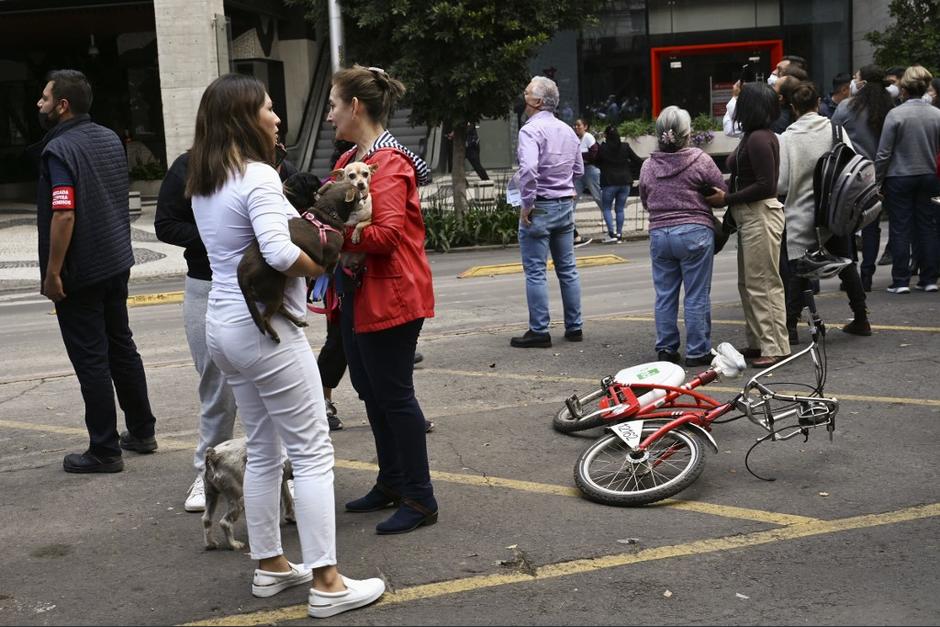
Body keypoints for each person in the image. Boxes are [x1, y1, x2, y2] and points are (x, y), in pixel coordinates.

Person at [188, 73, 385, 616]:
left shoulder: (206, 178)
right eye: (269, 108)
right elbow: (277, 252)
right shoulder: (256, 175)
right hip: (264, 329)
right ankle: (328, 584)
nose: (277, 118)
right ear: (244, 117)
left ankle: (271, 566)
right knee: (313, 452)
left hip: (224, 325)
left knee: (264, 448)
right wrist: (321, 265)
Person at [28, 69, 157, 474]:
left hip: (80, 271)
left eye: (44, 98)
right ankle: (142, 431)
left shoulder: (59, 150)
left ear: (62, 106)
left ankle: (104, 449)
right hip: (115, 261)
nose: (39, 104)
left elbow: (63, 213)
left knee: (91, 360)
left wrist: (53, 273)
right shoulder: (108, 138)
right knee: (121, 346)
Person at [327, 65, 438, 535]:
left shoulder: (388, 163)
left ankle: (420, 497)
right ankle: (392, 481)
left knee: (394, 395)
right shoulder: (350, 158)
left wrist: (334, 234)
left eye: (334, 105)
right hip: (358, 291)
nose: (329, 115)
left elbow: (387, 234)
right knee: (370, 391)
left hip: (391, 292)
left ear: (355, 107)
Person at [155, 151, 237, 508]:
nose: (277, 124)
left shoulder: (266, 161)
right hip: (206, 282)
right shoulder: (190, 165)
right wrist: (218, 236)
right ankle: (209, 474)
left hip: (261, 286)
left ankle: (283, 473)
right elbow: (166, 224)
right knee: (215, 384)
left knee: (270, 388)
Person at [777, 81, 870, 339]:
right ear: (818, 103)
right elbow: (852, 166)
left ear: (793, 107)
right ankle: (861, 318)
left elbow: (781, 183)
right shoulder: (836, 130)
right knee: (846, 263)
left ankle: (790, 328)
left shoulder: (787, 138)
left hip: (800, 213)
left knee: (799, 270)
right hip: (834, 212)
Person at [706, 83, 789, 368]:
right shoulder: (755, 136)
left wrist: (727, 198)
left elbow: (766, 185)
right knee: (751, 283)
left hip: (759, 213)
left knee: (762, 284)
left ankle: (773, 346)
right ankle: (759, 342)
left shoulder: (758, 139)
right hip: (752, 214)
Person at [639, 106, 726, 367]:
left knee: (665, 294)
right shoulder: (700, 160)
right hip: (695, 232)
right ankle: (698, 350)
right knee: (696, 294)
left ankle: (666, 348)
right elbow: (721, 190)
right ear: (687, 134)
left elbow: (645, 200)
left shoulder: (648, 166)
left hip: (660, 233)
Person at [509, 76, 584, 349]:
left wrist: (527, 203)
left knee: (536, 271)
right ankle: (574, 326)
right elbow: (579, 169)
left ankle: (539, 330)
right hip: (564, 204)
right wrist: (566, 186)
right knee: (568, 269)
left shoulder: (530, 131)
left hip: (540, 205)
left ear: (538, 102)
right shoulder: (567, 130)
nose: (523, 95)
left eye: (527, 92)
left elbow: (529, 170)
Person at [875, 65, 940, 293]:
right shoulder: (936, 114)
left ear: (904, 89)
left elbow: (884, 153)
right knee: (927, 226)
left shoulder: (896, 114)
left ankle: (901, 280)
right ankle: (929, 278)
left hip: (899, 176)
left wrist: (877, 180)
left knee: (900, 227)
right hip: (929, 174)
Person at [831, 65, 896, 291]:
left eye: (856, 78)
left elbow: (834, 137)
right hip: (881, 174)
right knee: (872, 226)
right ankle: (867, 274)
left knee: (848, 224)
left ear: (862, 83)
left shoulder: (846, 107)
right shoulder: (890, 108)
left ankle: (851, 274)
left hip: (853, 174)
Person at [723, 54, 807, 137]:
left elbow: (734, 129)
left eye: (779, 70)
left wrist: (736, 97)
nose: (774, 72)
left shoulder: (774, 118)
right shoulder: (794, 111)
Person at [595, 125, 643, 243]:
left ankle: (611, 233)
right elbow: (637, 160)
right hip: (625, 182)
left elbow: (596, 161)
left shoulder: (603, 148)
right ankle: (619, 234)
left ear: (606, 135)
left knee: (607, 208)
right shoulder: (625, 146)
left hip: (609, 182)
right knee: (620, 209)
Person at [572, 118, 602, 246]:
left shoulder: (588, 137)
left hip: (589, 170)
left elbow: (594, 153)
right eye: (575, 125)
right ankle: (572, 228)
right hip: (578, 172)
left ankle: (609, 219)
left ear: (585, 126)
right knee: (573, 199)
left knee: (597, 196)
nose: (577, 127)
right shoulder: (575, 139)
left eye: (579, 125)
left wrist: (581, 157)